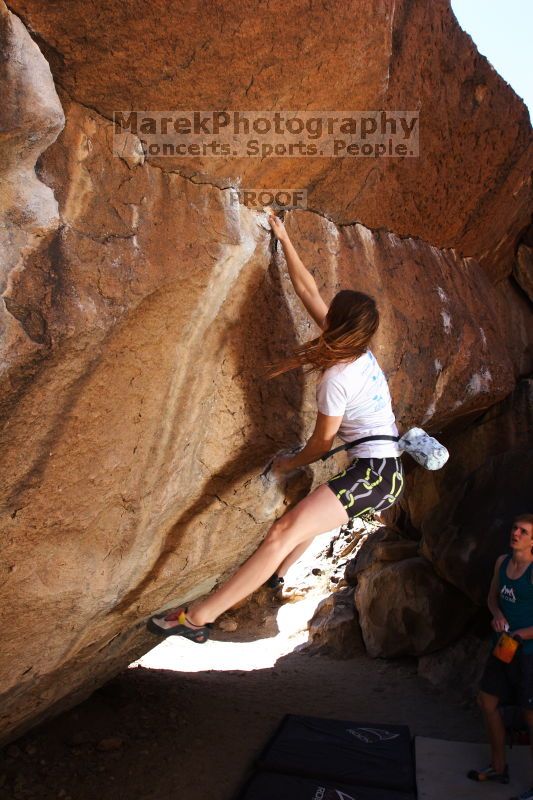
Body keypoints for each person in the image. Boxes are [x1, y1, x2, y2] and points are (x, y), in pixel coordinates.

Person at [147, 211, 404, 643]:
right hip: (379, 473)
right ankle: (273, 579)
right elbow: (308, 290)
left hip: (374, 476)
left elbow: (321, 443)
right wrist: (283, 238)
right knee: (298, 527)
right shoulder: (355, 348)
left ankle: (196, 620)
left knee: (283, 531)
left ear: (340, 324)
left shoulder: (338, 378)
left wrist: (287, 464)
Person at [467, 513, 533, 800]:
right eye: (515, 529)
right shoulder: (502, 563)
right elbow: (492, 598)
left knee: (531, 717)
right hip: (503, 647)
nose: (515, 534)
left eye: (523, 531)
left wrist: (522, 635)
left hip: (528, 653)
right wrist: (496, 616)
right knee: (487, 700)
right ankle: (498, 767)